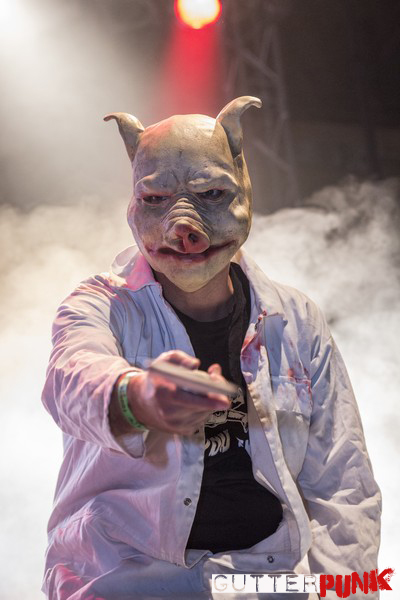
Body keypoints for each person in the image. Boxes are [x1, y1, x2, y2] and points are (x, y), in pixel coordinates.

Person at [41, 97, 381, 600]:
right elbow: (72, 378)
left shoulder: (295, 319)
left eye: (212, 194)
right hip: (123, 578)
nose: (183, 229)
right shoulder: (100, 304)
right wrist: (137, 398)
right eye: (155, 199)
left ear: (244, 189)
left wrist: (346, 594)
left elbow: (341, 483)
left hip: (265, 581)